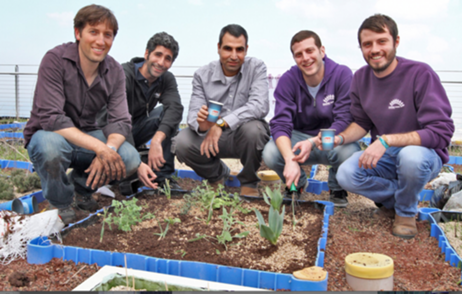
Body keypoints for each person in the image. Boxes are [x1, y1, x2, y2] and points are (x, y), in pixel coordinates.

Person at [335, 14, 454, 239]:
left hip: (424, 154)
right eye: (367, 44)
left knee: (411, 158)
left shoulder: (420, 74)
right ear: (360, 48)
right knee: (346, 174)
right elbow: (362, 123)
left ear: (396, 42)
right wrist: (340, 138)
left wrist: (386, 140)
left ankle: (406, 213)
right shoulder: (360, 78)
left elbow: (441, 132)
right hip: (387, 155)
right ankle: (403, 197)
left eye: (382, 41)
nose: (375, 49)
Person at [23, 4, 142, 224]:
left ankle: (81, 189)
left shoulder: (114, 71)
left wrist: (109, 149)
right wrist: (99, 148)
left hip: (85, 134)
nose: (101, 41)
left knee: (129, 157)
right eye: (93, 32)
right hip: (49, 134)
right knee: (50, 147)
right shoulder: (55, 60)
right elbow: (52, 118)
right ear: (78, 33)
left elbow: (121, 121)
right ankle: (60, 202)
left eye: (107, 35)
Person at [262, 30, 360, 206]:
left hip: (331, 140)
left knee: (350, 152)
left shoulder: (341, 74)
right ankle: (296, 184)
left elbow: (344, 119)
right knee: (270, 152)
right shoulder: (288, 80)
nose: (305, 58)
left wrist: (313, 142)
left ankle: (336, 187)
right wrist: (289, 160)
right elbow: (280, 123)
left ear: (322, 51)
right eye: (298, 54)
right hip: (299, 139)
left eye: (309, 51)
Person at [173, 24, 270, 196]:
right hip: (211, 138)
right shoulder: (202, 75)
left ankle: (248, 182)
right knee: (182, 142)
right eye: (227, 49)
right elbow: (194, 114)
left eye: (239, 49)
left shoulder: (256, 68)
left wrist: (221, 124)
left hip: (242, 136)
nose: (233, 56)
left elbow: (259, 105)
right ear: (218, 48)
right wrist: (203, 124)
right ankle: (217, 175)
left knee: (255, 130)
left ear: (246, 50)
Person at [97, 32, 183, 192]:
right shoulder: (123, 74)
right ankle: (126, 176)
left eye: (167, 59)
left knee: (169, 113)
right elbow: (117, 119)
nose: (161, 62)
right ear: (146, 53)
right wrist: (135, 161)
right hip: (108, 132)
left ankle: (163, 178)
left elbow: (175, 108)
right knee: (128, 174)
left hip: (135, 128)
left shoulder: (166, 79)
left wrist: (157, 140)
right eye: (158, 55)